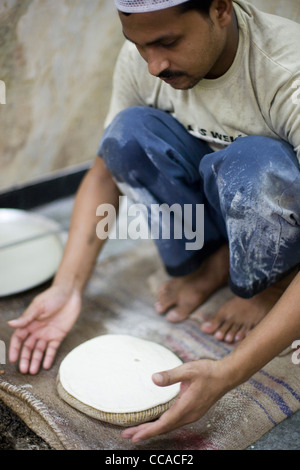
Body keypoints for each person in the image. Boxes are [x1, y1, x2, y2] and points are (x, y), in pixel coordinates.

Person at [8, 0, 300, 443]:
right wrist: (67, 287)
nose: (153, 65)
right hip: (217, 199)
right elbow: (105, 171)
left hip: (270, 201)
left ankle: (270, 286)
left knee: (253, 162)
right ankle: (209, 265)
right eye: (140, 46)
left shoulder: (286, 71)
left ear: (220, 9)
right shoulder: (145, 56)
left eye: (168, 42)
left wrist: (228, 373)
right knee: (128, 134)